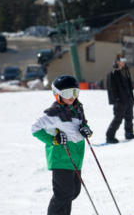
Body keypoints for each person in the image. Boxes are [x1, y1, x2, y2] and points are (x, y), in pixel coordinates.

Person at [31, 75, 93, 215]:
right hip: (61, 158)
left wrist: (86, 130)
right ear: (57, 94)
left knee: (73, 192)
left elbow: (81, 125)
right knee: (63, 194)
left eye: (75, 92)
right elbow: (35, 129)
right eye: (66, 93)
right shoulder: (52, 114)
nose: (71, 97)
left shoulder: (77, 109)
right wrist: (54, 140)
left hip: (76, 157)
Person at [105, 55, 134, 143]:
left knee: (129, 118)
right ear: (117, 61)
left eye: (125, 60)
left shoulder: (126, 71)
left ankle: (129, 134)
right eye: (122, 60)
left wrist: (132, 98)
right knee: (118, 119)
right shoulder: (113, 73)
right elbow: (111, 89)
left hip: (128, 99)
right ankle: (110, 136)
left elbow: (129, 86)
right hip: (120, 101)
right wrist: (115, 100)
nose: (124, 62)